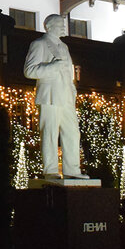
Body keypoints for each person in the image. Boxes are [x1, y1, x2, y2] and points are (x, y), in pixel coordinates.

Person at [23, 14, 84, 179]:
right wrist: (52, 67)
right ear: (49, 26)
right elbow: (29, 71)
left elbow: (69, 73)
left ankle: (72, 170)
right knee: (49, 133)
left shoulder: (64, 47)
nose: (63, 27)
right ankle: (50, 171)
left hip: (66, 96)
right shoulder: (39, 44)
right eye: (60, 24)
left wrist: (72, 90)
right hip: (49, 95)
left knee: (72, 132)